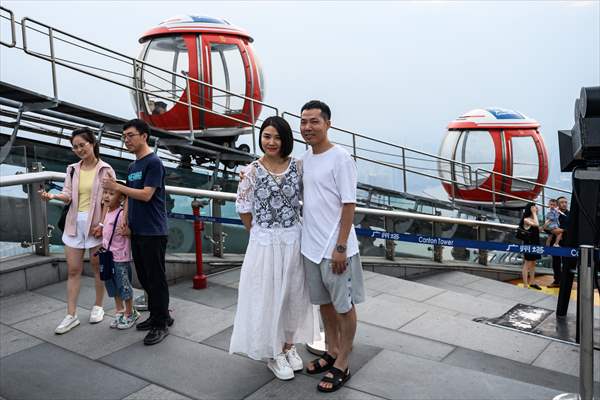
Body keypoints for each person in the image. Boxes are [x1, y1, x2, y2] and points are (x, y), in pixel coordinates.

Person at [229, 116, 319, 380]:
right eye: (267, 136)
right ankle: (273, 352)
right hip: (266, 243)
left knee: (293, 296)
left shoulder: (298, 166)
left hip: (293, 239)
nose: (271, 142)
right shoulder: (252, 171)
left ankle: (289, 346)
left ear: (286, 140)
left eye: (277, 137)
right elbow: (244, 209)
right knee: (267, 297)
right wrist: (259, 233)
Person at [300, 100, 365, 392]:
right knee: (324, 304)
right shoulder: (307, 158)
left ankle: (343, 362)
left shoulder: (341, 158)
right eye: (304, 121)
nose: (308, 127)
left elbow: (349, 205)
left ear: (328, 123)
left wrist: (340, 247)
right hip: (311, 247)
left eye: (314, 121)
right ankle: (331, 350)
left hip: (335, 249)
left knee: (343, 306)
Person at [102, 118, 173, 345]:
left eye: (130, 135)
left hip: (154, 230)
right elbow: (130, 200)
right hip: (137, 230)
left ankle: (161, 323)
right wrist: (125, 220)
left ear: (144, 136)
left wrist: (117, 187)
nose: (126, 140)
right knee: (144, 277)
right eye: (124, 136)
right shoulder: (133, 167)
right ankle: (157, 315)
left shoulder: (154, 163)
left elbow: (145, 194)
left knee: (156, 277)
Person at [39, 127, 114, 334]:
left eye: (83, 145)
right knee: (73, 269)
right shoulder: (72, 169)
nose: (79, 149)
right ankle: (70, 315)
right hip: (74, 223)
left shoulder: (105, 169)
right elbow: (68, 195)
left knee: (99, 267)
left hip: (96, 224)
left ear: (93, 144)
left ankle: (98, 306)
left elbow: (111, 198)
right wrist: (52, 196)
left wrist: (103, 225)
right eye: (75, 147)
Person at [100, 183, 140, 329]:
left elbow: (131, 232)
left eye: (111, 194)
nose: (106, 196)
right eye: (105, 192)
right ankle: (120, 311)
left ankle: (130, 313)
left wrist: (128, 232)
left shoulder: (122, 214)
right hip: (108, 256)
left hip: (120, 258)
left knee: (124, 286)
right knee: (112, 286)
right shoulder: (107, 212)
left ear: (122, 198)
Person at [519, 202, 541, 290]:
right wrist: (534, 213)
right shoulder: (526, 219)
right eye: (534, 208)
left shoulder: (533, 218)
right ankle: (525, 284)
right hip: (529, 244)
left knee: (533, 263)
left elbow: (538, 227)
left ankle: (532, 282)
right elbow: (536, 224)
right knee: (527, 264)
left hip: (535, 243)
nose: (536, 209)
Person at [549, 196, 570, 288]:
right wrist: (552, 231)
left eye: (565, 202)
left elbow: (573, 228)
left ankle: (566, 281)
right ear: (558, 204)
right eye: (562, 202)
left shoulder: (571, 214)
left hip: (567, 241)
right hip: (555, 241)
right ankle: (557, 280)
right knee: (556, 262)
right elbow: (547, 225)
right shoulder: (553, 213)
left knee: (567, 262)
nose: (564, 204)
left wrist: (562, 231)